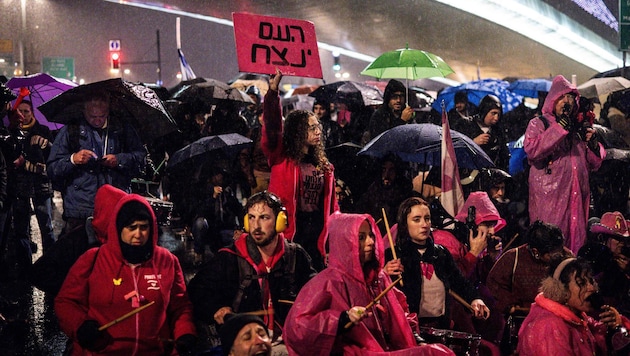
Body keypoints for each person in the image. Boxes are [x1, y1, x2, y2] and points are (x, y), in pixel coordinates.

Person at [284, 212, 454, 355]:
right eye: (361, 237)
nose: (371, 242)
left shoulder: (379, 278)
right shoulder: (328, 281)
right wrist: (342, 319)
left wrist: (417, 340)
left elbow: (403, 313)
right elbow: (297, 328)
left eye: (371, 235)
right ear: (344, 241)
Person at [54, 192, 197, 355]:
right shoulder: (92, 259)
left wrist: (185, 333)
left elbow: (180, 306)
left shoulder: (167, 261)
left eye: (144, 227)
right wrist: (80, 326)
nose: (138, 234)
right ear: (118, 228)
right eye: (131, 227)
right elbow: (65, 301)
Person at [187, 191, 317, 351]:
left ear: (279, 221)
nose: (256, 226)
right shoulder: (229, 258)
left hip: (289, 343)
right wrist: (216, 308)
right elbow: (196, 290)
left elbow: (316, 293)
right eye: (251, 218)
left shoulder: (296, 256)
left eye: (264, 217)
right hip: (246, 347)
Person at [261, 68, 338, 270]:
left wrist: (333, 238)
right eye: (311, 127)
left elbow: (332, 207)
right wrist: (272, 93)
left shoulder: (325, 167)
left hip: (316, 232)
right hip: (290, 230)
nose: (317, 131)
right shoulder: (281, 158)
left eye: (317, 127)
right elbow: (271, 126)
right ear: (297, 131)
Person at [47, 91, 146, 237]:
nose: (98, 121)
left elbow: (140, 159)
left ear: (108, 111)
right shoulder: (70, 130)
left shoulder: (122, 129)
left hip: (115, 205)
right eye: (93, 117)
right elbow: (53, 168)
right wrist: (74, 159)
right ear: (84, 111)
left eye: (102, 116)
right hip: (79, 209)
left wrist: (119, 160)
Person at [524, 75, 604, 254]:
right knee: (550, 248)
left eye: (570, 97)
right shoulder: (539, 123)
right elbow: (532, 149)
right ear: (553, 100)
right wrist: (559, 129)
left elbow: (594, 164)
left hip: (576, 199)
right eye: (562, 97)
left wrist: (593, 146)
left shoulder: (577, 130)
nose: (566, 101)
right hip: (550, 200)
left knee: (575, 246)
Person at [384, 197, 490, 330]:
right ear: (405, 224)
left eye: (427, 218)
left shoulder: (441, 254)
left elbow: (460, 283)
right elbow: (379, 292)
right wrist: (383, 274)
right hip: (408, 329)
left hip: (440, 328)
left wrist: (475, 299)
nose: (424, 224)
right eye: (417, 220)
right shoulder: (392, 255)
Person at [486, 220, 571, 354]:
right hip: (522, 327)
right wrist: (511, 306)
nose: (559, 256)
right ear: (536, 252)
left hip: (559, 326)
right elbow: (494, 284)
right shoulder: (513, 258)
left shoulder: (567, 258)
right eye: (554, 254)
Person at [517, 257, 629, 355]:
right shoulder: (549, 326)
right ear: (561, 290)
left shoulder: (578, 318)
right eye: (581, 283)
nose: (592, 288)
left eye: (590, 281)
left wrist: (616, 325)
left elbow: (600, 340)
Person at [9, 100, 55, 256]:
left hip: (41, 186)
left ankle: (49, 265)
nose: (23, 114)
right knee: (22, 230)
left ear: (32, 112)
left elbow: (52, 157)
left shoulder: (43, 130)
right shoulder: (12, 132)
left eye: (26, 111)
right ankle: (26, 268)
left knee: (46, 228)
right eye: (19, 111)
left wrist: (46, 144)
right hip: (21, 188)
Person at [355, 155, 413, 235]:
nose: (386, 174)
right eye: (384, 169)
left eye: (391, 170)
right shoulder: (372, 192)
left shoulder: (405, 195)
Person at [453, 95, 509, 171]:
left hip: (488, 177)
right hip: (465, 174)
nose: (496, 118)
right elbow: (454, 149)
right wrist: (473, 143)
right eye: (493, 113)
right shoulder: (464, 125)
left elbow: (504, 158)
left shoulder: (498, 132)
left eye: (498, 114)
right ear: (484, 111)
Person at [364, 79, 415, 144]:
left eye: (401, 96)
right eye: (394, 97)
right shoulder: (380, 115)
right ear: (388, 98)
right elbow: (383, 140)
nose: (398, 100)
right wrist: (401, 121)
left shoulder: (406, 113)